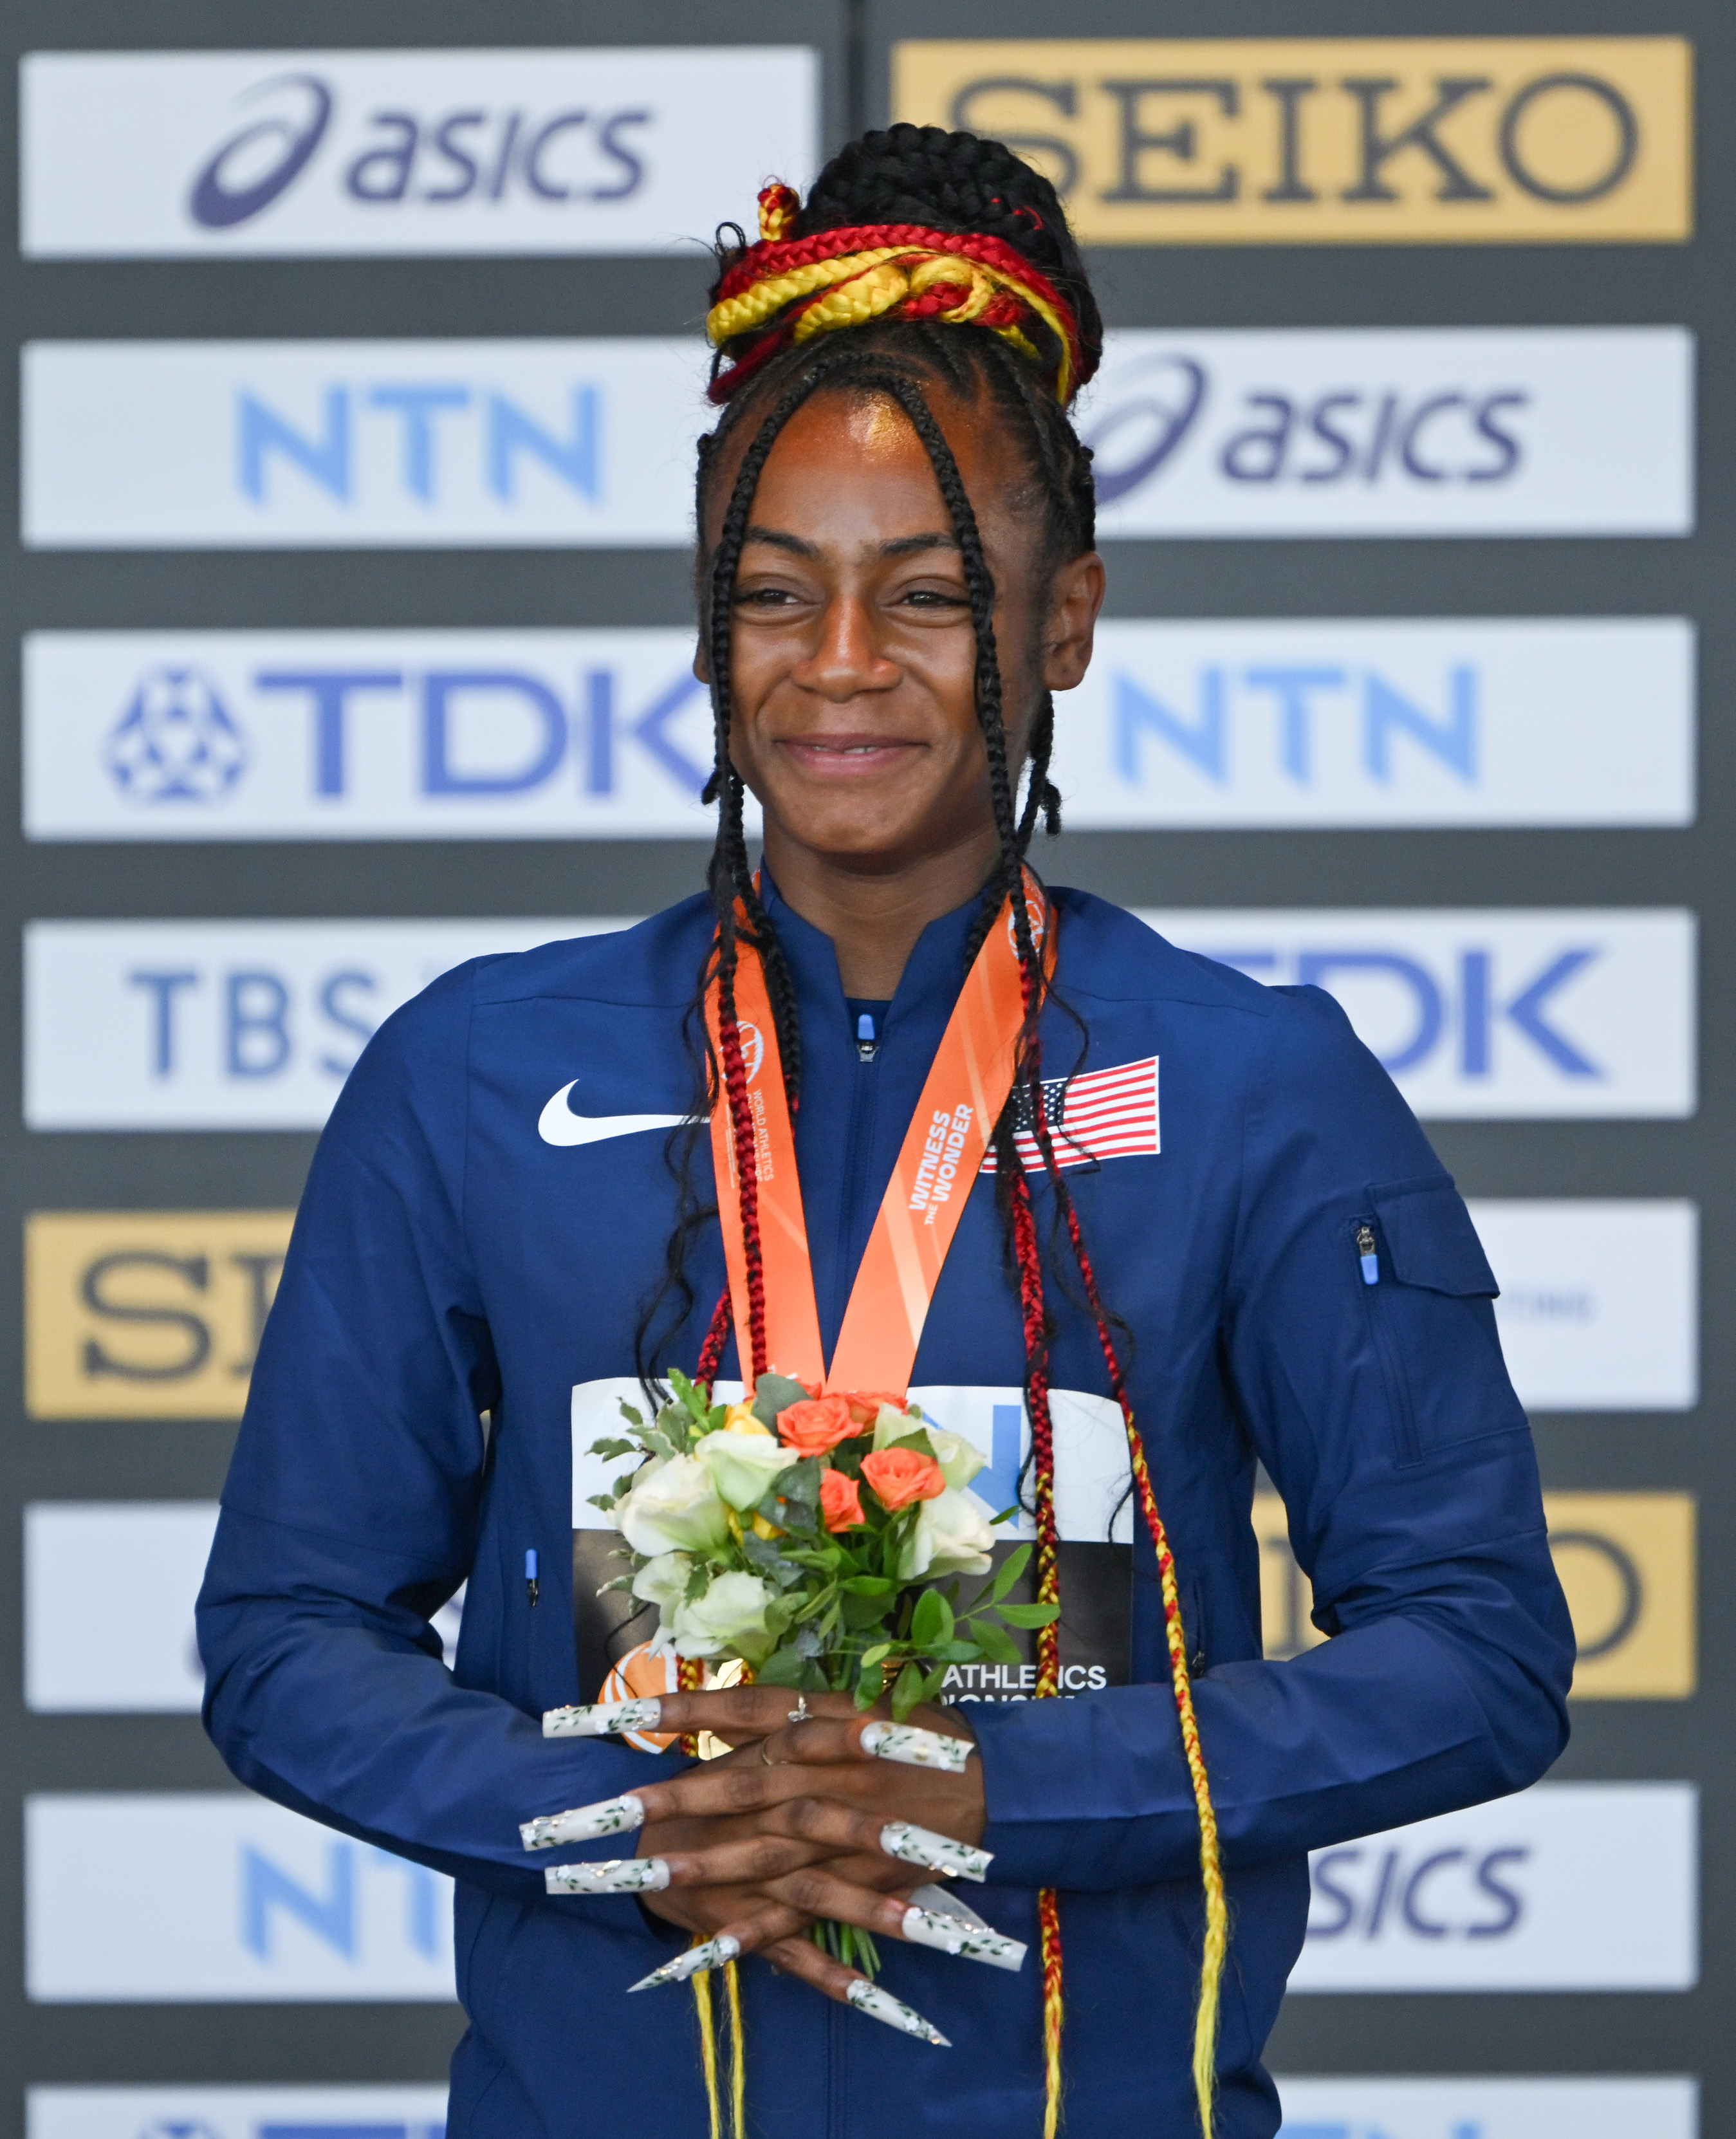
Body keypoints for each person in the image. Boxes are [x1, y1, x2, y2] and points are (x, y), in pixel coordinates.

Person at [198, 124, 1573, 2139]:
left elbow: (1475, 1650)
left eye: (928, 594)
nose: (841, 666)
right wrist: (610, 1818)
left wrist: (1000, 1790)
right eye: (774, 591)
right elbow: (287, 1633)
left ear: (1069, 617)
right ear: (702, 618)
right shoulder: (475, 1066)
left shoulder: (1248, 1077)